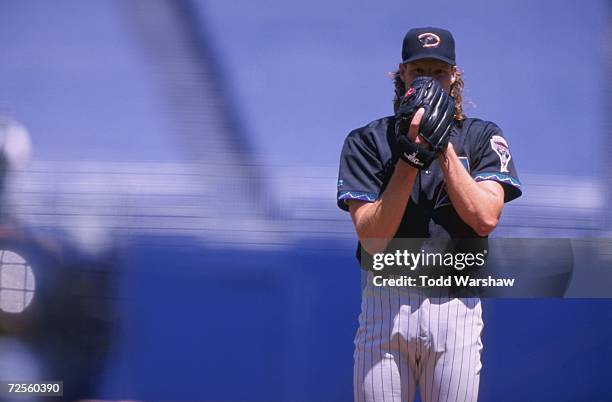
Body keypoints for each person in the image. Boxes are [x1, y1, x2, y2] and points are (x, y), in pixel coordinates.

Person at [336, 27, 522, 401]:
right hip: (386, 304)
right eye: (419, 71)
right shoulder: (367, 140)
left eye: (438, 72)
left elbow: (485, 218)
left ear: (453, 76)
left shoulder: (481, 136)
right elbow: (373, 239)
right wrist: (409, 160)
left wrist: (443, 150)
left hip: (454, 302)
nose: (428, 81)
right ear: (402, 73)